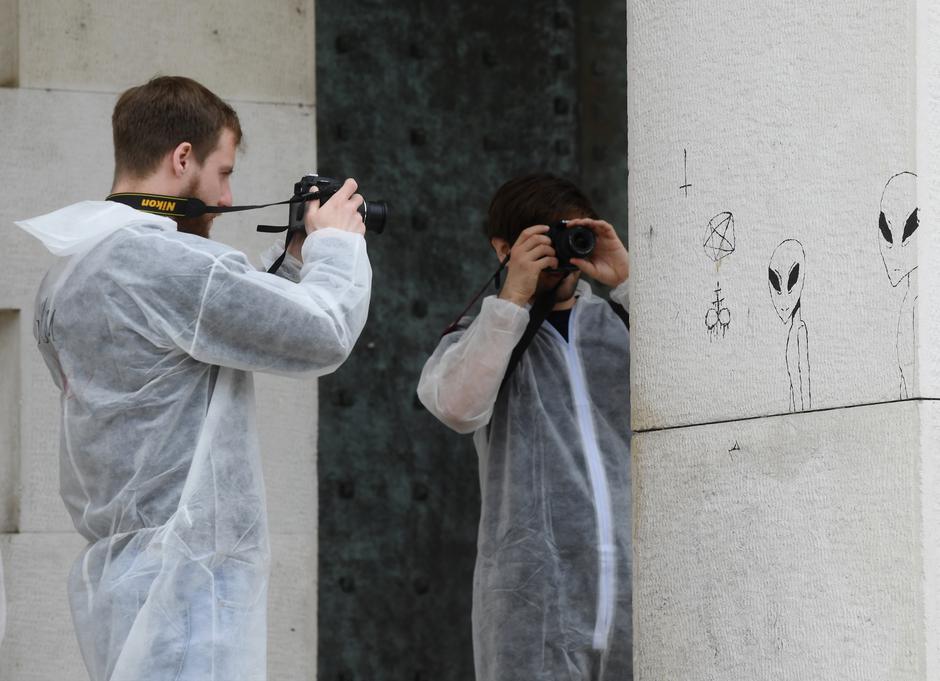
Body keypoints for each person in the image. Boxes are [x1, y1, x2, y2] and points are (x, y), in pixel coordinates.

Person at [15, 76, 371, 681]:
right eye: (224, 172)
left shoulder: (69, 273)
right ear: (183, 158)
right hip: (186, 585)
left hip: (124, 579)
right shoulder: (168, 263)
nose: (228, 199)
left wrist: (291, 262)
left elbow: (188, 354)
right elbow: (321, 334)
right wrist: (336, 245)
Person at [417, 173, 632, 680]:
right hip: (534, 611)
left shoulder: (619, 325)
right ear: (503, 248)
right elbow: (456, 406)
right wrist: (511, 301)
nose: (561, 253)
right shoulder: (483, 338)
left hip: (638, 600)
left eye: (571, 236)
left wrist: (627, 282)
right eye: (545, 239)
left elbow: (696, 377)